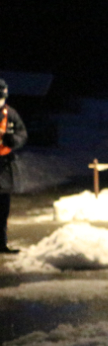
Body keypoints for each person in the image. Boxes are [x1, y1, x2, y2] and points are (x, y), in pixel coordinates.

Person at [0, 79, 28, 254]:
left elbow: (22, 134)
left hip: (3, 166)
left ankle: (1, 243)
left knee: (2, 209)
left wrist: (13, 140)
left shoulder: (10, 114)